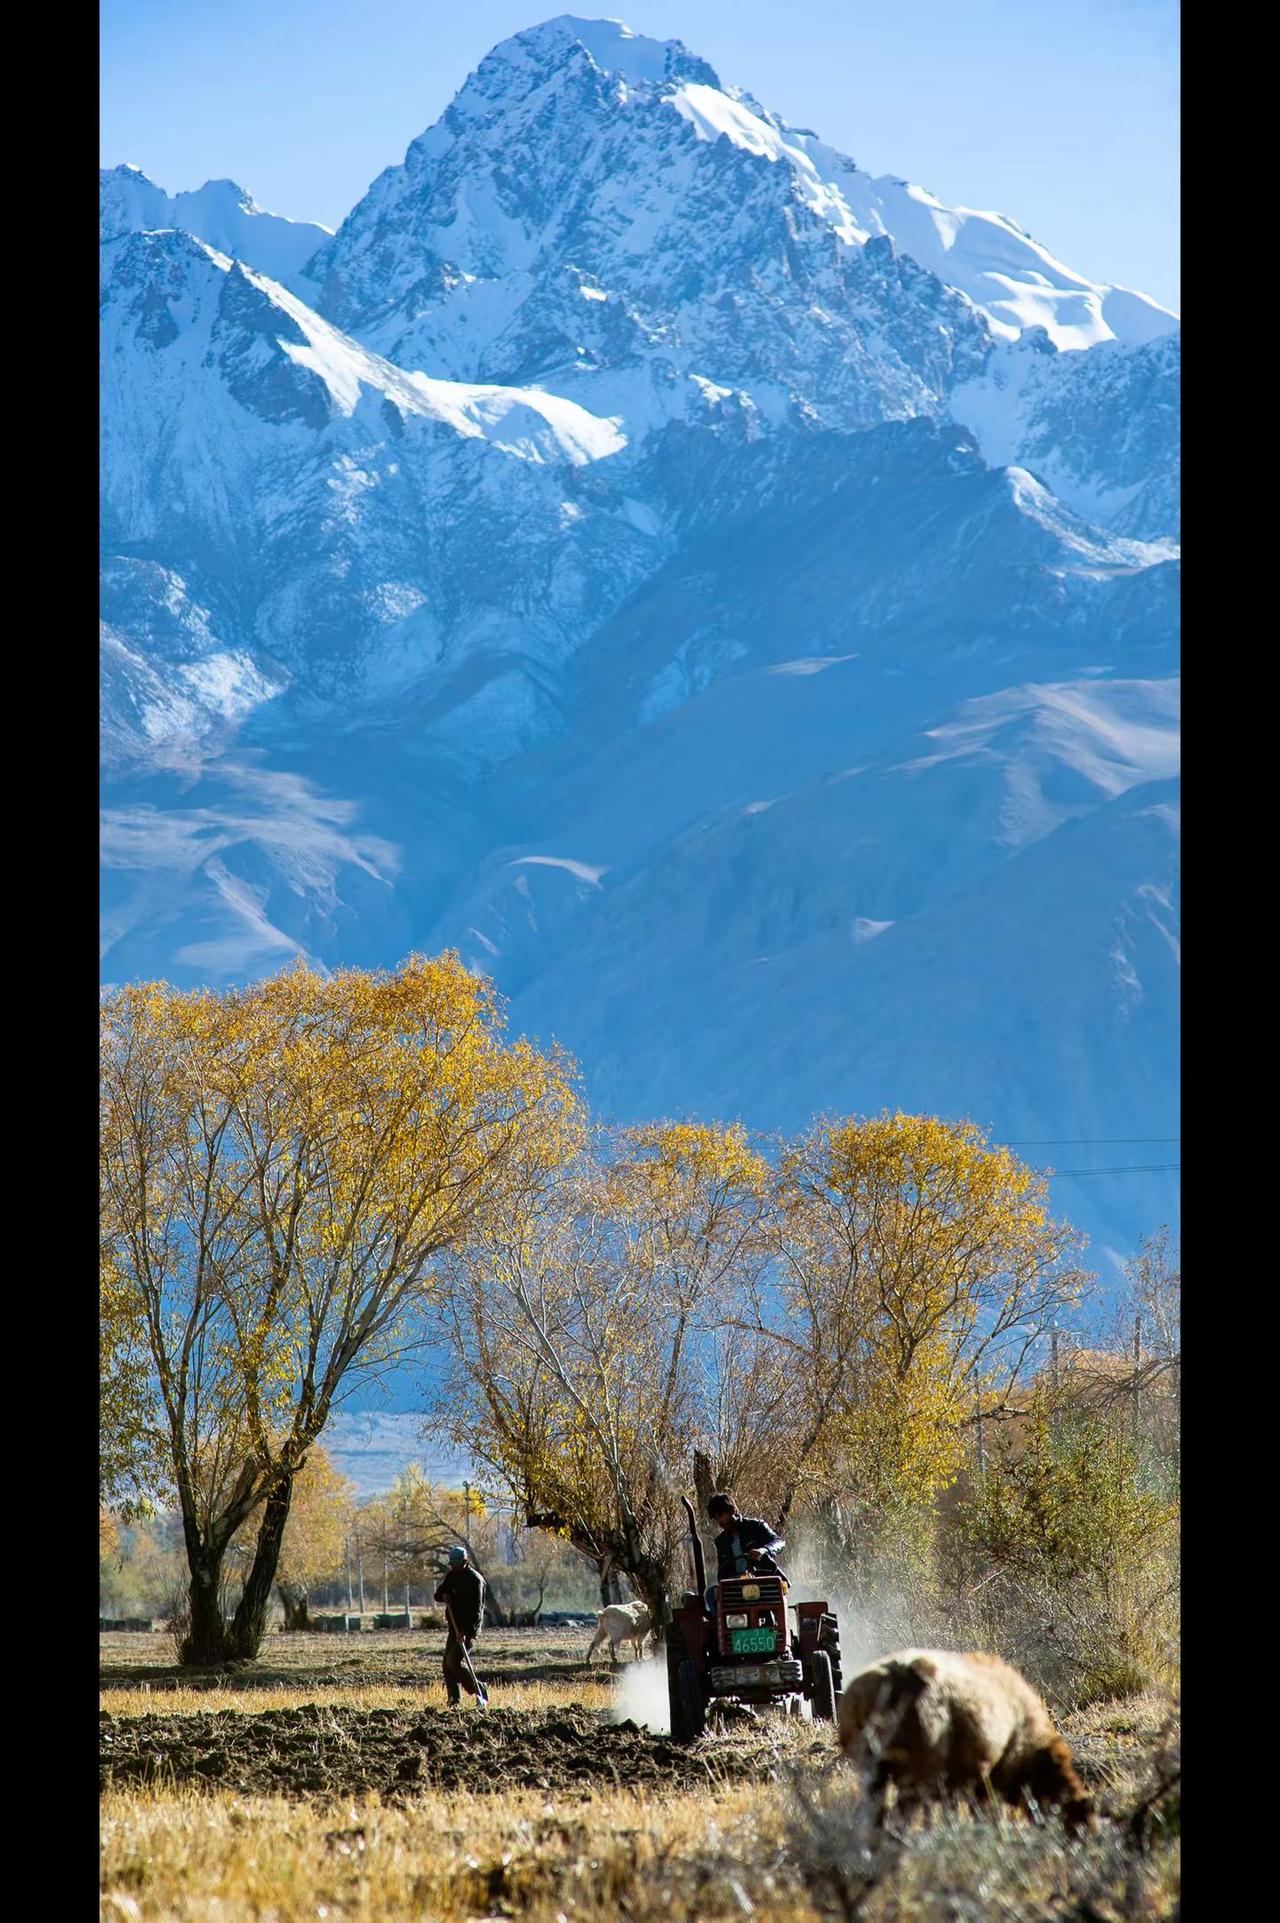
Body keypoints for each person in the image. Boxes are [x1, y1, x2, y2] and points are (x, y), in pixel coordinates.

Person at [433, 1545, 486, 1706]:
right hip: (454, 1628)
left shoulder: (475, 1580)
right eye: (452, 1564)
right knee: (446, 1664)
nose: (453, 1567)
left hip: (468, 1629)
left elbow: (476, 1611)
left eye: (456, 1564)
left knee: (453, 1661)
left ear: (465, 1561)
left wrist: (465, 1631)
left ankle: (480, 1690)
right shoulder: (452, 1576)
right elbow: (438, 1594)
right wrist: (444, 1595)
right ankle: (454, 1700)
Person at [706, 1493, 787, 1583]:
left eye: (721, 1515)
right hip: (735, 1585)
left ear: (732, 1510)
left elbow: (779, 1541)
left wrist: (763, 1550)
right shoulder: (721, 1541)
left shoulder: (756, 1526)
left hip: (763, 1579)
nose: (719, 1521)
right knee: (710, 1593)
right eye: (716, 1518)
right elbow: (722, 1572)